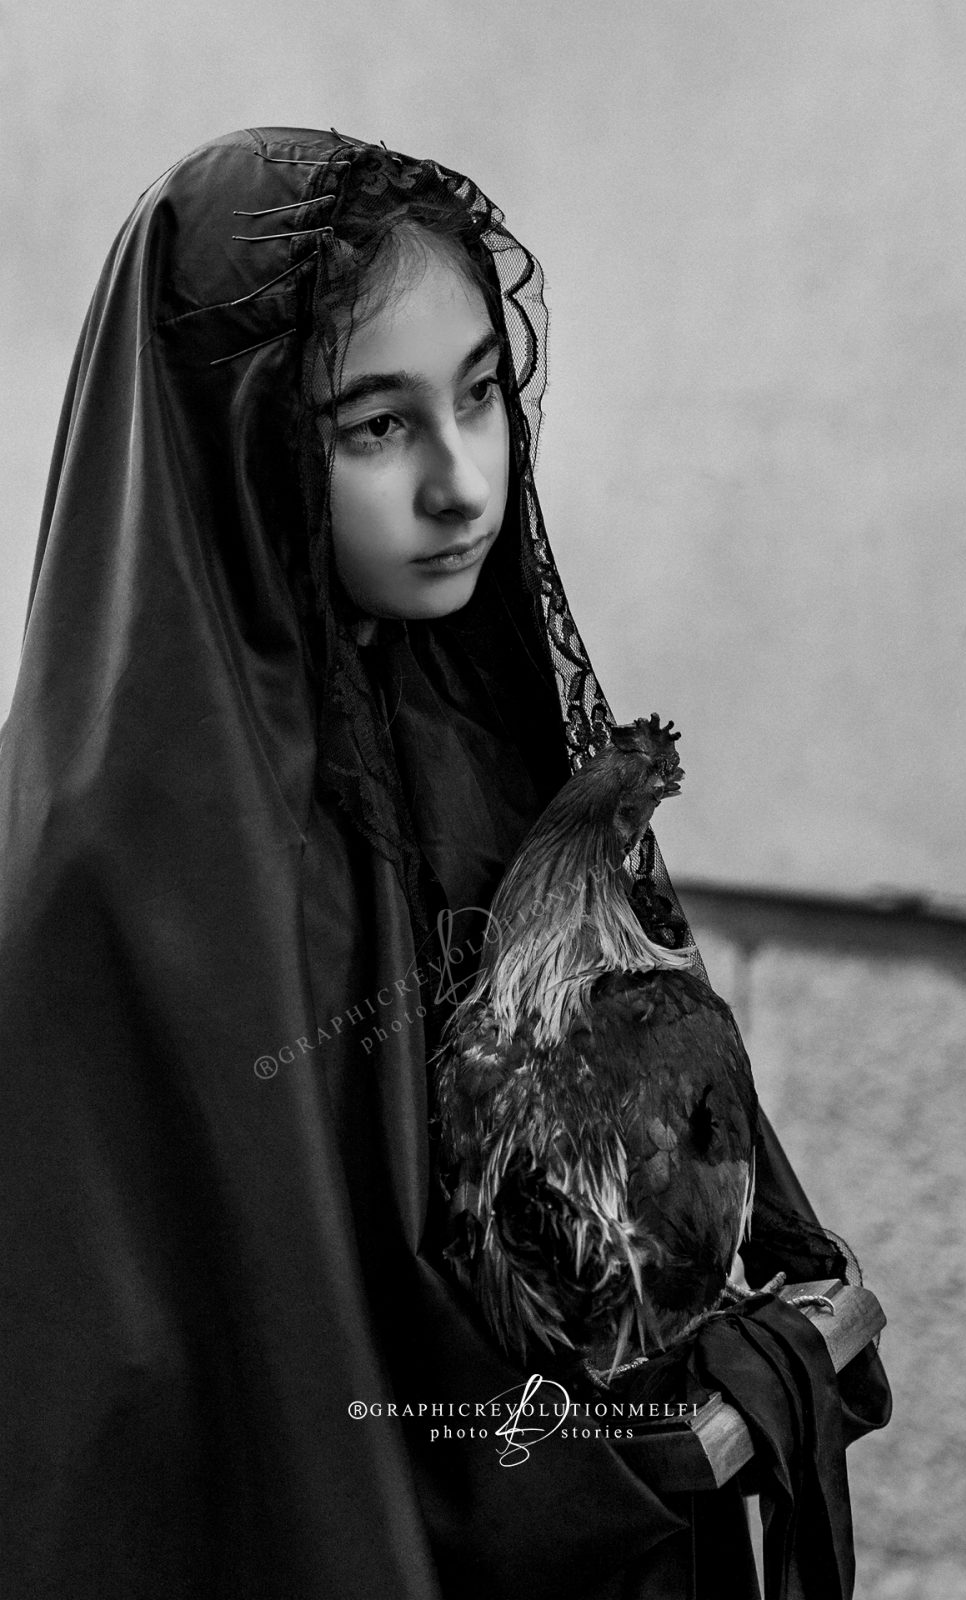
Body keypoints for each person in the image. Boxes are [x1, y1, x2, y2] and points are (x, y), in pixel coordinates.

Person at [0, 128, 889, 1599]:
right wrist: (616, 1459)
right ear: (242, 445)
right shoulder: (110, 891)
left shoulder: (465, 730)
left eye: (480, 394)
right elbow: (239, 1422)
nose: (464, 483)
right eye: (374, 426)